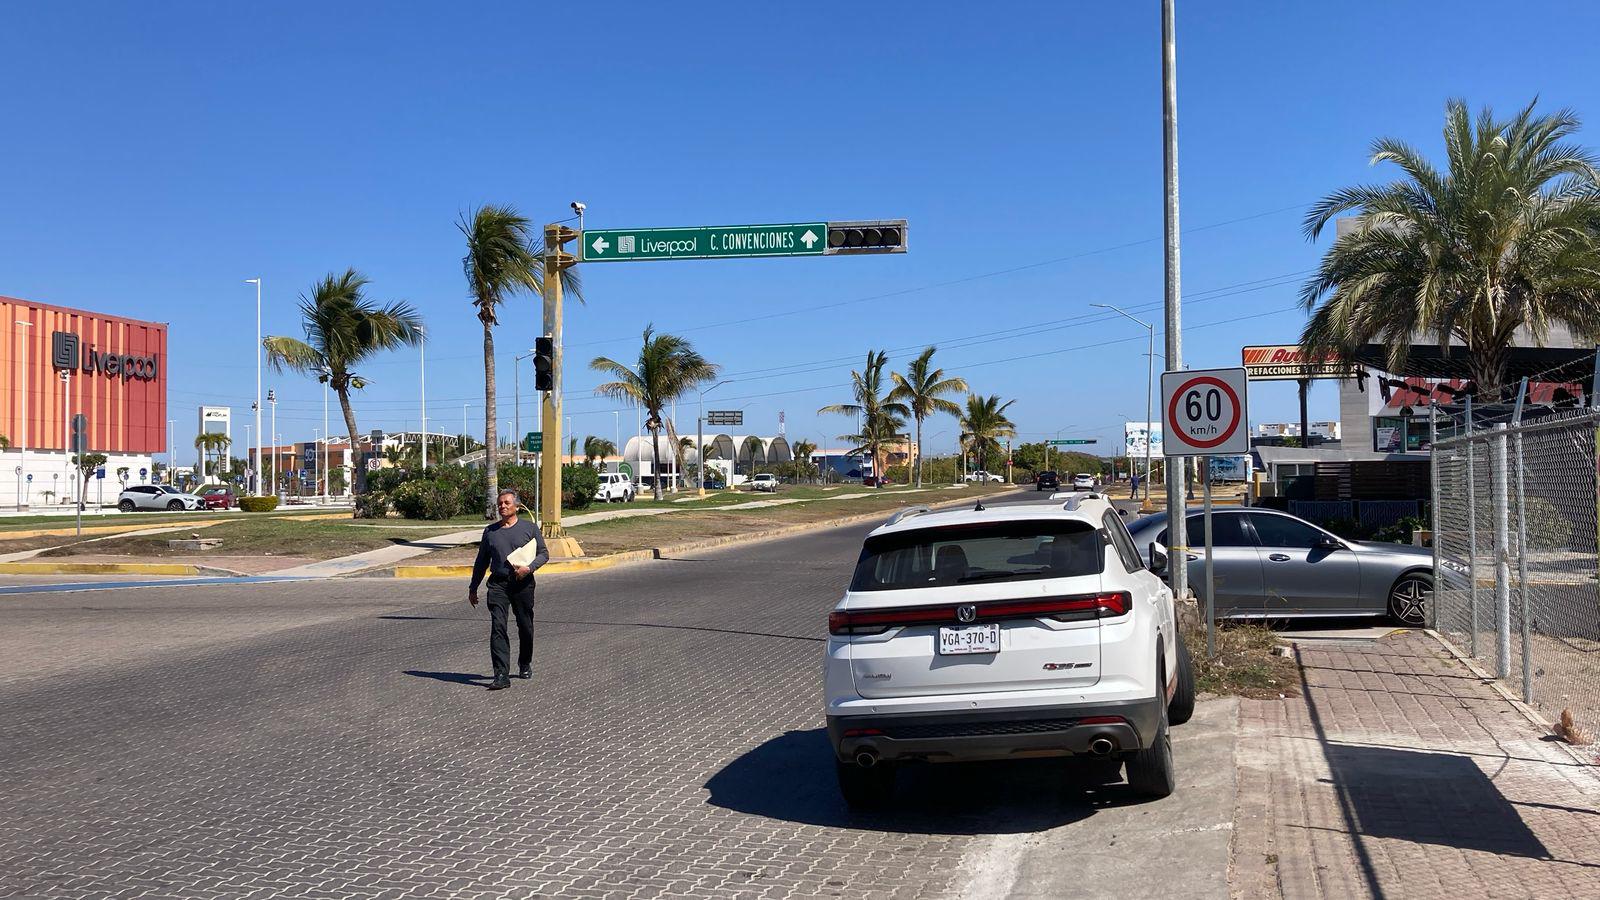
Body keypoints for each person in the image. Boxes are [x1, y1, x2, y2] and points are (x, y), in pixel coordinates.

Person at [468, 489, 549, 691]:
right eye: (500, 504)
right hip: (498, 585)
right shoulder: (490, 532)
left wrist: (529, 568)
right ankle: (501, 674)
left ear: (517, 506)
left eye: (506, 503)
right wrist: (473, 587)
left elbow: (543, 553)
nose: (502, 506)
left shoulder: (529, 528)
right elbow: (481, 562)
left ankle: (525, 662)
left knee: (525, 626)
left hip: (522, 583)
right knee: (498, 627)